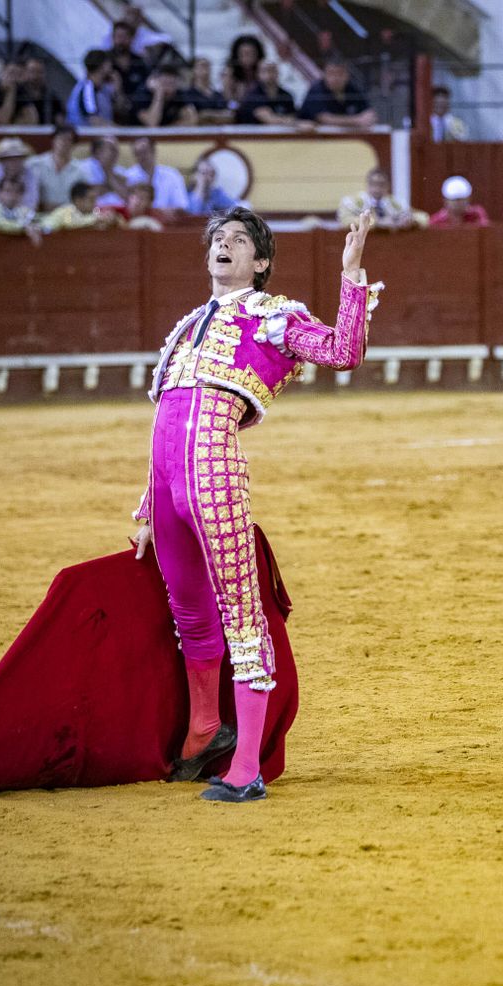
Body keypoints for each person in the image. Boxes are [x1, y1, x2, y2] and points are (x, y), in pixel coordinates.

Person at [129, 205, 381, 802]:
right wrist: (146, 508)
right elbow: (165, 425)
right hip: (169, 484)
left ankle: (246, 767)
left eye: (240, 240)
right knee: (189, 615)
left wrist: (352, 272)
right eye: (218, 238)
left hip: (214, 472)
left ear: (260, 261)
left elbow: (344, 351)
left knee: (242, 616)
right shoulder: (188, 325)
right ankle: (203, 729)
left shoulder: (275, 316)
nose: (225, 245)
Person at [296, 54, 374, 129]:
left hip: (347, 137)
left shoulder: (352, 88)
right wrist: (357, 120)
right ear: (324, 74)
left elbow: (369, 112)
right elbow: (324, 119)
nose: (335, 78)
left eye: (340, 73)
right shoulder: (316, 90)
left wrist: (368, 117)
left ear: (347, 75)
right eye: (331, 73)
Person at [337, 166, 420, 230]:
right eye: (373, 184)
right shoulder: (352, 202)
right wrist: (376, 223)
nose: (377, 189)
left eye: (381, 185)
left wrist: (411, 220)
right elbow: (345, 221)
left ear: (388, 186)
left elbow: (423, 217)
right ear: (367, 185)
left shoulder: (396, 204)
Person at [27, 122, 85, 211]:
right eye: (61, 138)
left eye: (68, 140)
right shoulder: (34, 164)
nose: (64, 143)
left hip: (69, 217)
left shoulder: (80, 170)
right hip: (40, 214)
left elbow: (82, 199)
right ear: (53, 140)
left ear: (73, 144)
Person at [123, 135, 188, 212]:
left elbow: (182, 207)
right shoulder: (128, 175)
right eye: (137, 153)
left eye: (144, 152)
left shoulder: (172, 175)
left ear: (153, 150)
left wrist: (159, 212)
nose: (141, 157)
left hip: (167, 222)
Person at [236, 59, 306, 128]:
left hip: (281, 135)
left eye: (272, 70)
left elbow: (292, 117)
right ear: (258, 74)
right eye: (264, 71)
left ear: (278, 73)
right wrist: (286, 120)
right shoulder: (253, 95)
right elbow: (267, 119)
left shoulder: (286, 95)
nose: (269, 74)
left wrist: (288, 120)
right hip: (255, 136)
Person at [0, 136, 37, 212]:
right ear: (2, 160)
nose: (13, 163)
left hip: (22, 215)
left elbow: (31, 203)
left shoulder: (30, 173)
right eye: (9, 159)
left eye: (17, 158)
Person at [132, 61, 195, 127]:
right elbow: (152, 123)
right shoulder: (142, 95)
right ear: (156, 82)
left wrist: (169, 129)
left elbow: (192, 119)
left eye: (171, 84)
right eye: (164, 83)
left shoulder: (179, 94)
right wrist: (159, 93)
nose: (168, 89)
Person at [40, 181, 119, 232]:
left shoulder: (97, 213)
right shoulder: (62, 212)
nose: (95, 203)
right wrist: (94, 220)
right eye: (91, 199)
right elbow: (47, 228)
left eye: (95, 199)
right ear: (78, 201)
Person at [67, 49, 114, 126]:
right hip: (84, 136)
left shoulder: (103, 89)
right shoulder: (87, 88)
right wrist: (120, 131)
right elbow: (94, 120)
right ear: (103, 66)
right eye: (109, 63)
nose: (111, 67)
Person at [79, 134, 128, 208]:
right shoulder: (86, 166)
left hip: (118, 210)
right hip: (94, 210)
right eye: (112, 149)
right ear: (98, 151)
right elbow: (94, 192)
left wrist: (109, 174)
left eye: (117, 150)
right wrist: (114, 184)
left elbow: (126, 196)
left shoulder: (119, 169)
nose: (116, 154)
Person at [182, 56, 230, 124]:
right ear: (194, 70)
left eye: (208, 66)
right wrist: (218, 115)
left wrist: (207, 115)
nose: (205, 69)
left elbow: (229, 117)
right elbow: (193, 118)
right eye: (202, 65)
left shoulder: (218, 95)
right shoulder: (188, 94)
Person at [221, 34, 262, 105]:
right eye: (243, 54)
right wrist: (236, 107)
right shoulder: (230, 75)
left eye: (251, 53)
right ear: (237, 55)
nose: (247, 58)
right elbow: (229, 102)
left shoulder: (263, 72)